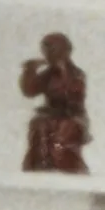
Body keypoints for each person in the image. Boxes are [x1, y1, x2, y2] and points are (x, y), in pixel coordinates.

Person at [20, 32, 89, 173]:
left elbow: (69, 94)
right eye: (46, 51)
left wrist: (62, 70)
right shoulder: (49, 74)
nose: (49, 55)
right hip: (51, 116)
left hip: (71, 117)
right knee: (39, 127)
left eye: (53, 50)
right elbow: (30, 90)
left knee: (62, 138)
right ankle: (39, 166)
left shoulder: (76, 74)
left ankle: (67, 168)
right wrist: (30, 70)